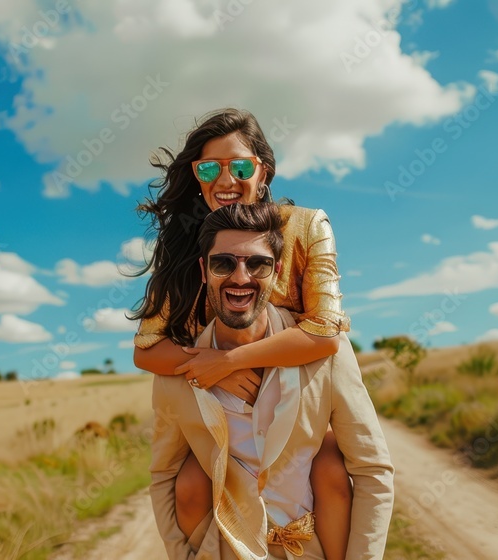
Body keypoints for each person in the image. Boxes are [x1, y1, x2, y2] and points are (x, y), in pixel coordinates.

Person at [132, 108, 354, 557]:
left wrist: (232, 362)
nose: (224, 179)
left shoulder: (306, 226)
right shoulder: (186, 245)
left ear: (263, 172)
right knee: (191, 483)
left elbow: (326, 332)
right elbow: (147, 349)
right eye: (209, 167)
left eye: (240, 166)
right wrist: (214, 371)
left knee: (330, 467)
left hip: (296, 391)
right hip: (222, 403)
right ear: (196, 175)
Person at [150, 202, 394, 559]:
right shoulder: (178, 370)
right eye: (223, 263)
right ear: (204, 271)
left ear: (277, 271)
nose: (240, 277)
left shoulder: (327, 353)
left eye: (258, 264)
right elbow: (164, 476)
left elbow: (373, 470)